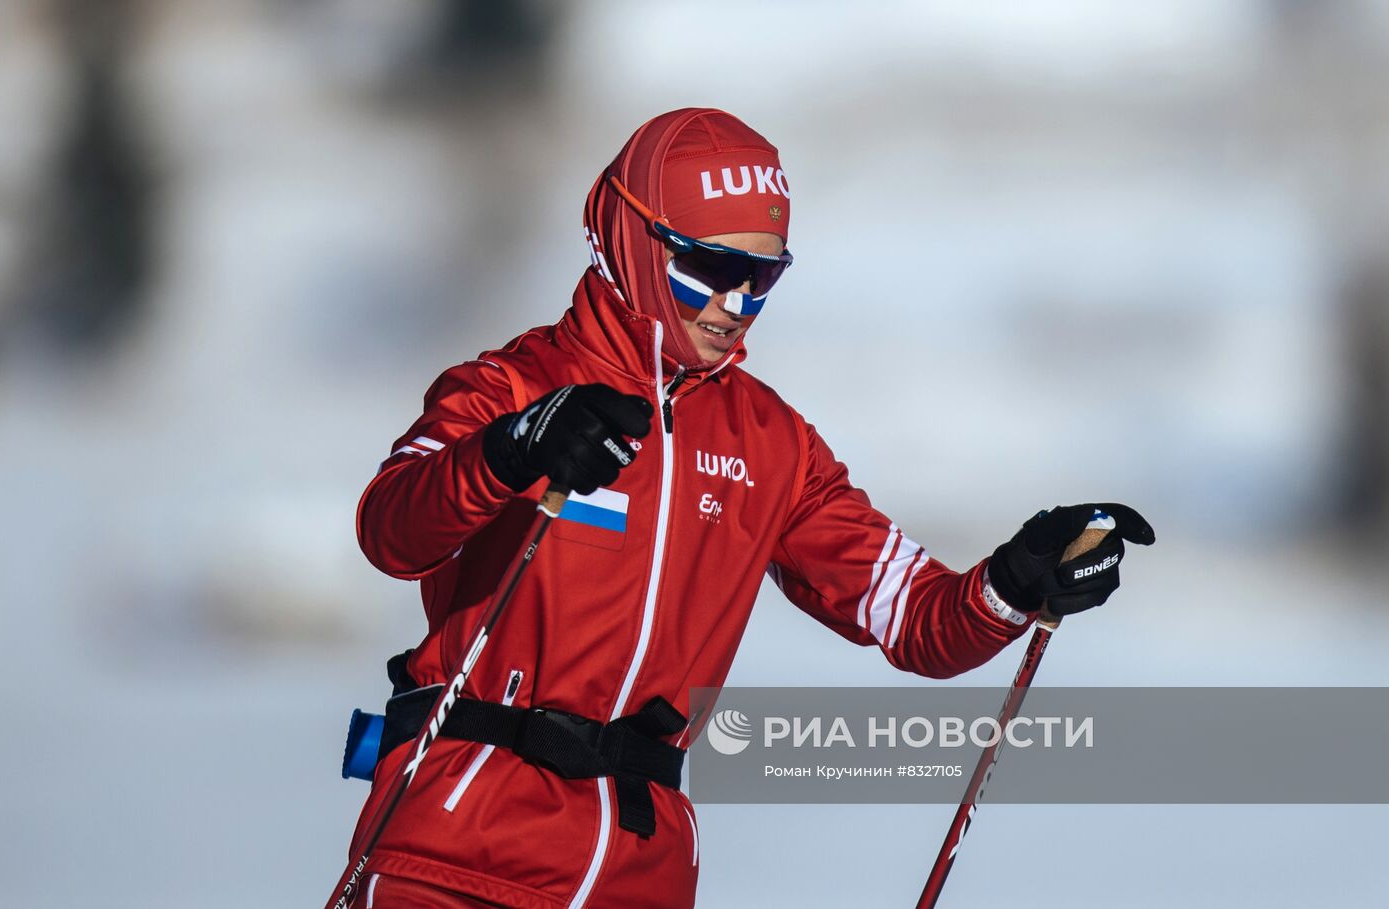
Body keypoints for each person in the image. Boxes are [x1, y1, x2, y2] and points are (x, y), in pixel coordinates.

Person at [342, 108, 1154, 909]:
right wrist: (512, 448)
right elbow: (391, 529)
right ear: (632, 240)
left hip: (636, 871)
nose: (734, 302)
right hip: (456, 856)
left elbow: (914, 616)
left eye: (761, 277)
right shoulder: (511, 387)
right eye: (708, 265)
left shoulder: (770, 443)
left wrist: (1014, 580)